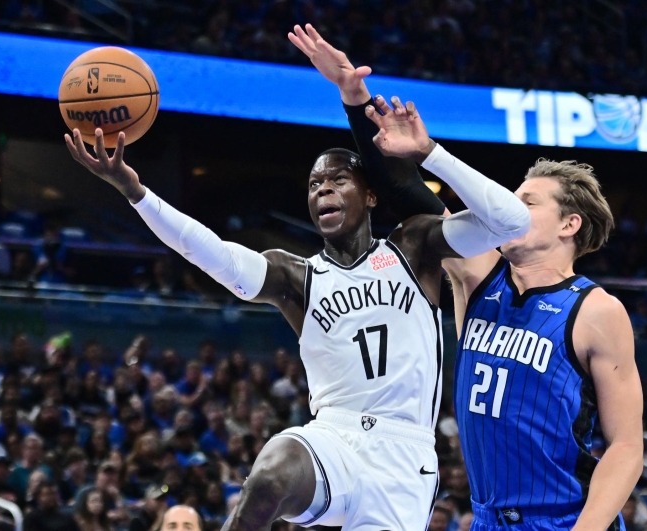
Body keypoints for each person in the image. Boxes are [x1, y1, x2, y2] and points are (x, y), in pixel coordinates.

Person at [64, 34, 529, 529]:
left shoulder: (413, 246)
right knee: (272, 471)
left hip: (403, 457)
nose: (323, 187)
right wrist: (136, 192)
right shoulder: (296, 276)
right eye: (314, 183)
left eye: (338, 179)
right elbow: (215, 255)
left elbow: (511, 222)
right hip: (332, 437)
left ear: (371, 196)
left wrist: (429, 153)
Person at [292, 23, 642, 531]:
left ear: (570, 224)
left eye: (528, 202)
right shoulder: (479, 275)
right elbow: (405, 191)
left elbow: (627, 446)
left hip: (565, 519)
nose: (510, 208)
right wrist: (354, 97)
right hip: (487, 520)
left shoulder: (597, 311)